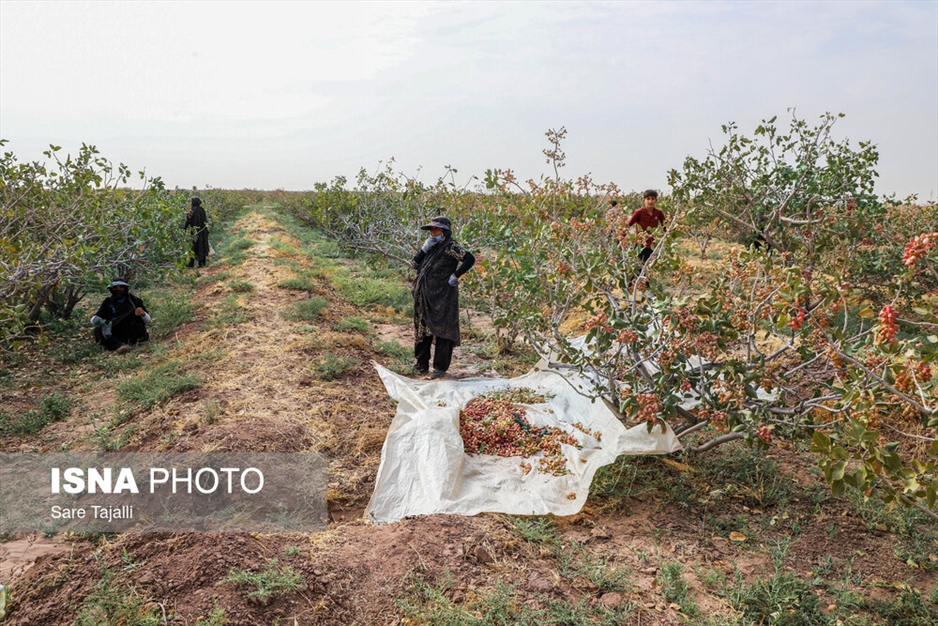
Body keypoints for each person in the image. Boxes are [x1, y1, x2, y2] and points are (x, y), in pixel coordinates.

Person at [411, 216, 476, 379]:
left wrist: (456, 275)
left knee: (444, 330)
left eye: (437, 229)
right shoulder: (431, 246)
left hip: (443, 295)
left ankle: (439, 368)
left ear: (445, 231)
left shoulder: (451, 246)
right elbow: (414, 264)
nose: (433, 232)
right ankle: (421, 365)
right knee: (422, 329)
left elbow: (470, 258)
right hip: (425, 297)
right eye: (432, 230)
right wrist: (423, 250)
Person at [91, 279, 151, 354]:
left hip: (132, 330)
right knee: (98, 330)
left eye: (121, 288)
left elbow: (148, 320)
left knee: (137, 325)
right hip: (116, 331)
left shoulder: (134, 300)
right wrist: (102, 322)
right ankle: (119, 346)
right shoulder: (108, 302)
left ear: (125, 288)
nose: (118, 290)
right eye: (115, 288)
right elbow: (94, 318)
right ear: (111, 289)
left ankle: (130, 344)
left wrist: (143, 314)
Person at [627, 189, 667, 265]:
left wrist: (667, 236)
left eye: (652, 199)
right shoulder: (639, 212)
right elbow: (628, 224)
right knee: (638, 266)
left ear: (656, 200)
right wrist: (622, 237)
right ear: (644, 201)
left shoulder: (658, 213)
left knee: (648, 266)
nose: (650, 201)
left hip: (652, 244)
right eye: (648, 199)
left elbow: (665, 225)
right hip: (640, 244)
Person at [185, 196, 210, 267]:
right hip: (202, 231)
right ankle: (202, 263)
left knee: (193, 247)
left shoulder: (191, 211)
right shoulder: (202, 210)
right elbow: (205, 221)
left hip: (194, 231)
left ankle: (191, 264)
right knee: (202, 246)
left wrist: (184, 229)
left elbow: (188, 221)